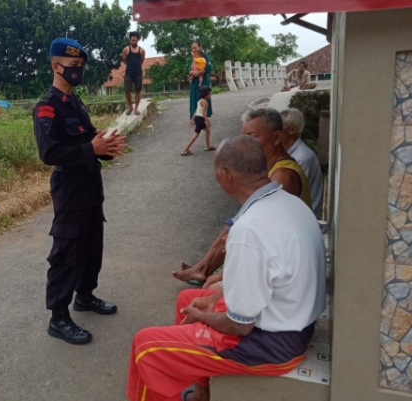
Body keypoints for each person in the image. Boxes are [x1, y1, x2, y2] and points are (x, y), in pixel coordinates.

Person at [126, 135, 326, 401]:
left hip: (272, 344)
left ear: (226, 175)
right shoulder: (288, 203)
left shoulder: (249, 229)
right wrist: (216, 297)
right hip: (294, 322)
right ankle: (202, 393)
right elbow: (268, 275)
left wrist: (204, 317)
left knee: (146, 346)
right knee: (188, 299)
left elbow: (240, 325)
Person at [33, 38, 127, 345]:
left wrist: (105, 146)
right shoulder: (48, 107)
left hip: (90, 186)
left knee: (91, 247)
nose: (78, 71)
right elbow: (50, 153)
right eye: (73, 65)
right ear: (56, 66)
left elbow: (88, 140)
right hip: (70, 189)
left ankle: (84, 295)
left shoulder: (75, 103)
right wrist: (91, 149)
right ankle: (58, 317)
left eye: (81, 66)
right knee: (67, 252)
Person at [173, 108, 312, 285]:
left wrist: (223, 278)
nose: (245, 144)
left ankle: (205, 269)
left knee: (234, 228)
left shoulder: (283, 175)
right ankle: (203, 268)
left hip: (285, 266)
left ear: (276, 138)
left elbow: (262, 235)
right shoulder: (271, 165)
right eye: (243, 137)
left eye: (252, 137)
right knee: (231, 224)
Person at [280, 108, 324, 218]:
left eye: (279, 128)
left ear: (291, 130)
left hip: (302, 217)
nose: (274, 132)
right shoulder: (294, 154)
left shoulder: (302, 158)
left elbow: (290, 197)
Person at [182, 86, 215, 156]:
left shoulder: (200, 101)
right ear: (205, 94)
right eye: (209, 93)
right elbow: (204, 113)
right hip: (200, 119)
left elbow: (196, 111)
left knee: (208, 131)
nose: (210, 95)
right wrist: (207, 122)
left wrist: (193, 118)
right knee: (196, 134)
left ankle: (208, 146)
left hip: (198, 117)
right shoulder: (205, 102)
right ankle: (186, 149)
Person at [188, 41, 212, 124]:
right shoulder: (193, 58)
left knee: (202, 98)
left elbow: (209, 66)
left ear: (200, 47)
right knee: (194, 99)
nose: (194, 49)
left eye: (195, 47)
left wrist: (200, 72)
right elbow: (189, 69)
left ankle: (203, 117)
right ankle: (194, 118)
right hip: (194, 81)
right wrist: (192, 72)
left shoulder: (204, 56)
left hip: (203, 80)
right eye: (192, 48)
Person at [123, 32, 145, 116]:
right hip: (128, 73)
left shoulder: (142, 50)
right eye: (132, 40)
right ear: (130, 40)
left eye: (135, 40)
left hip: (138, 73)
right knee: (127, 90)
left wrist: (137, 67)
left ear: (138, 40)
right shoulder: (126, 50)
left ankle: (136, 108)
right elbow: (125, 60)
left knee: (138, 90)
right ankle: (131, 107)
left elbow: (141, 61)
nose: (134, 42)